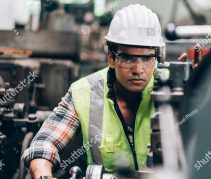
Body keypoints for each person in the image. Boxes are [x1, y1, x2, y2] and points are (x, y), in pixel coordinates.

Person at [22, 4, 165, 178]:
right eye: (128, 58)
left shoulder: (173, 89)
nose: (138, 69)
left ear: (157, 58)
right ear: (111, 58)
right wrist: (43, 174)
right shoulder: (85, 92)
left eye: (147, 58)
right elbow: (44, 143)